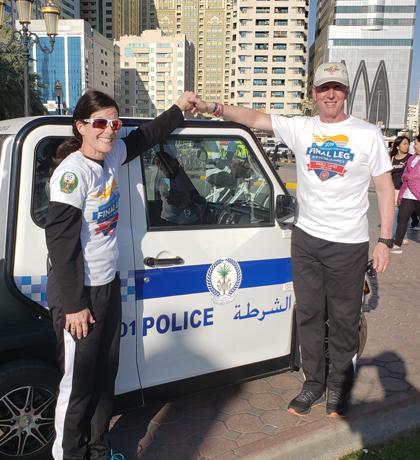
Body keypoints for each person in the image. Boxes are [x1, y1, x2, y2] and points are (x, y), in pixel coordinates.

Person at [192, 62, 394, 418]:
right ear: (313, 93)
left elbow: (384, 188)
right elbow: (255, 119)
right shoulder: (302, 128)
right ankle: (313, 384)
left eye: (337, 87)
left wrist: (385, 240)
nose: (330, 94)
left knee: (344, 319)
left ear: (346, 92)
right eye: (323, 88)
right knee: (310, 315)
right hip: (306, 240)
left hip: (348, 244)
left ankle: (339, 388)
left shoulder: (367, 134)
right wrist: (212, 108)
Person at [45, 89, 198, 460]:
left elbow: (147, 136)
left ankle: (99, 449)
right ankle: (69, 454)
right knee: (78, 384)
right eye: (100, 123)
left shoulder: (112, 154)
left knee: (104, 377)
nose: (110, 130)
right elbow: (61, 246)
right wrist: (75, 306)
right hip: (77, 294)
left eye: (114, 123)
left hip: (106, 284)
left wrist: (179, 108)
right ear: (81, 126)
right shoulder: (71, 174)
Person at [392, 134, 420, 253]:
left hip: (418, 194)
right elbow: (405, 174)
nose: (414, 146)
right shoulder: (412, 158)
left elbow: (415, 175)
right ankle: (397, 244)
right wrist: (408, 176)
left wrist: (409, 176)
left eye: (416, 143)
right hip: (408, 194)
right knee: (402, 218)